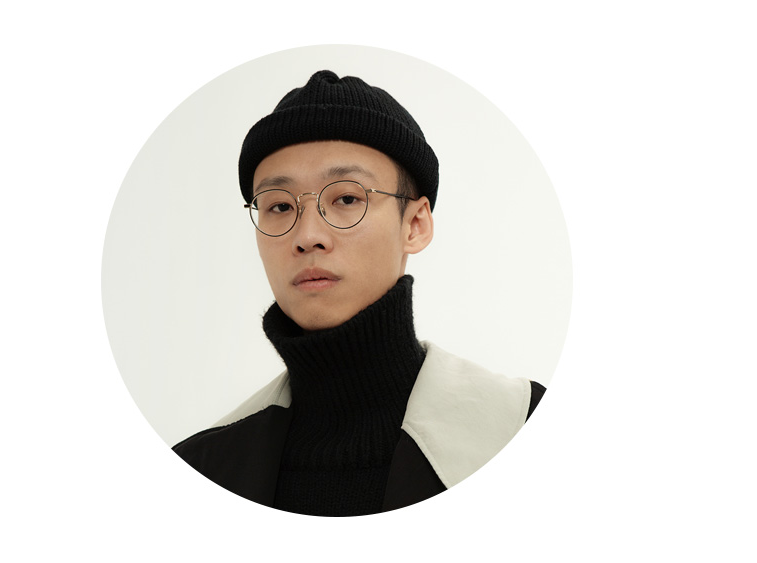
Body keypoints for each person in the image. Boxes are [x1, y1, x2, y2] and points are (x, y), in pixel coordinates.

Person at [172, 70, 546, 517]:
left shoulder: (525, 427)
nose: (307, 236)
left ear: (415, 224)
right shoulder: (197, 470)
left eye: (347, 199)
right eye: (279, 206)